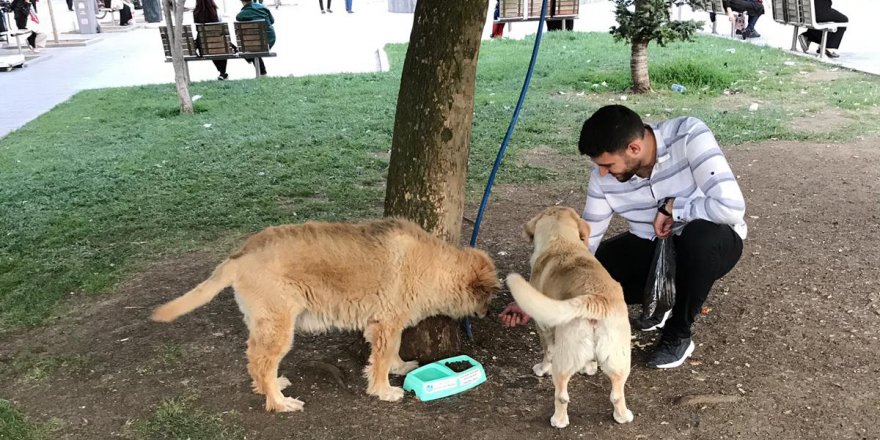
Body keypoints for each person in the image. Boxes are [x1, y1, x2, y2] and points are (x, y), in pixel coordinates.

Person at [500, 105, 746, 369]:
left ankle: (678, 334)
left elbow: (731, 207)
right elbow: (585, 244)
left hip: (710, 245)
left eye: (607, 165)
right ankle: (659, 303)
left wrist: (674, 208)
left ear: (634, 148)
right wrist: (534, 298)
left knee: (700, 238)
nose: (602, 173)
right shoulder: (602, 177)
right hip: (651, 247)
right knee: (597, 267)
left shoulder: (688, 135)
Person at [236, 0, 275, 76]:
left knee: (249, 46)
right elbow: (272, 21)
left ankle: (260, 70)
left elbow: (239, 19)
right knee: (253, 44)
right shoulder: (263, 7)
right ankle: (262, 72)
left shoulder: (241, 15)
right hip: (269, 40)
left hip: (255, 42)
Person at [193, 0, 229, 80]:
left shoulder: (196, 13)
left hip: (204, 46)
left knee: (210, 44)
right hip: (219, 45)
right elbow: (221, 28)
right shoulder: (217, 11)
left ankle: (222, 72)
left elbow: (197, 29)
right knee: (220, 42)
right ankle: (222, 72)